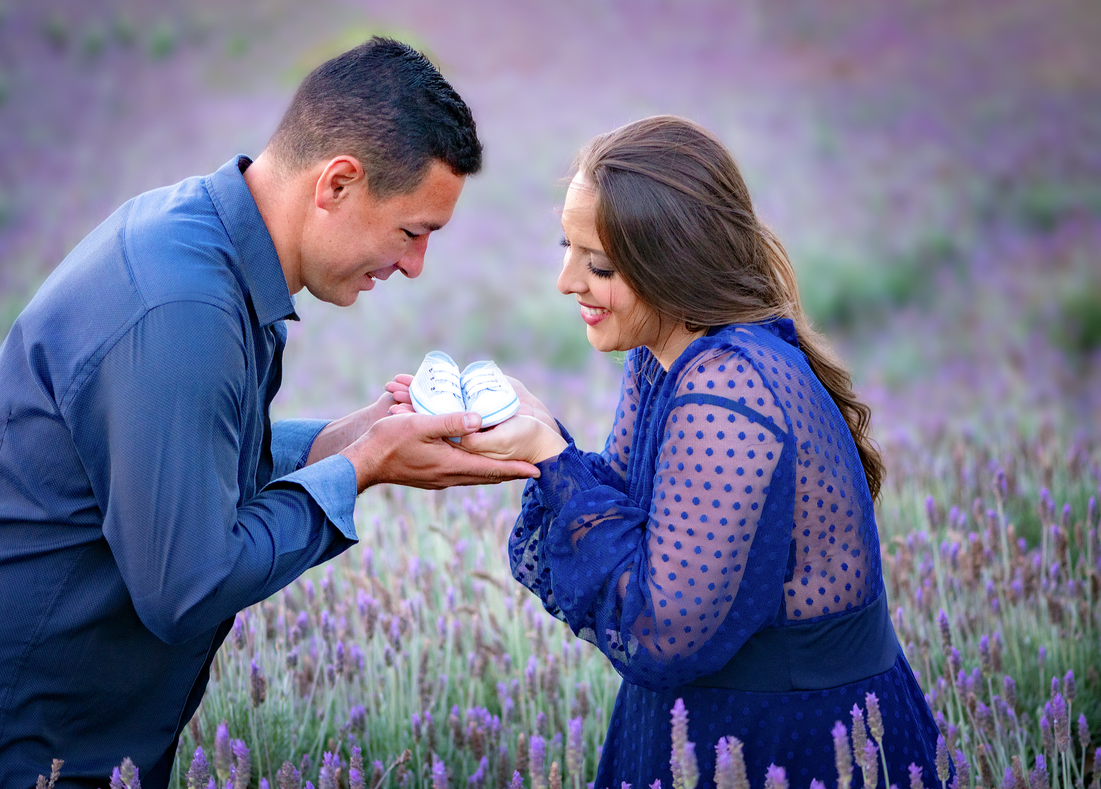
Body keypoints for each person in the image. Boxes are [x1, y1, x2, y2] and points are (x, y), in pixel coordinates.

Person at [0, 37, 537, 789]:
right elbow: (187, 587)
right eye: (412, 231)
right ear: (336, 183)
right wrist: (361, 469)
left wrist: (353, 437)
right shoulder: (184, 308)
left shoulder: (202, 243)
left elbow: (199, 463)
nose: (414, 266)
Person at [394, 116, 942, 787]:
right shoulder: (665, 357)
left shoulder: (728, 385)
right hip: (708, 725)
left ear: (672, 265)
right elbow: (638, 524)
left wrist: (552, 456)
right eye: (568, 248)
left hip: (789, 738)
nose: (567, 281)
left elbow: (661, 630)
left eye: (598, 264)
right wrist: (539, 434)